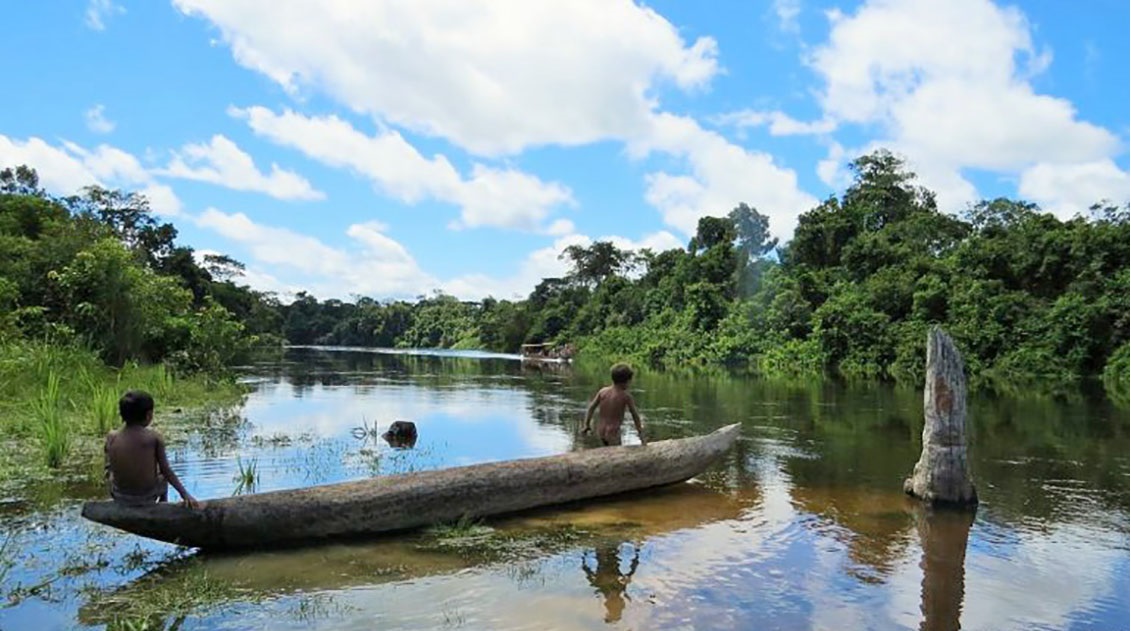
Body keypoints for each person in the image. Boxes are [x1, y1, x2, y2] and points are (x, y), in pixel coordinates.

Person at [104, 390, 199, 508]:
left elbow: (109, 467)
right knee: (163, 477)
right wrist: (185, 494)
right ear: (148, 415)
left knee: (111, 473)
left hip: (119, 495)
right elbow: (166, 470)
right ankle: (163, 504)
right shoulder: (154, 438)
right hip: (146, 496)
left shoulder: (111, 437)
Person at [582, 363, 646, 446]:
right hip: (613, 433)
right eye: (630, 381)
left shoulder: (603, 391)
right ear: (626, 381)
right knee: (617, 455)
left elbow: (591, 408)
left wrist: (586, 425)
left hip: (601, 431)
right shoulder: (625, 396)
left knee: (606, 453)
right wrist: (641, 435)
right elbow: (635, 415)